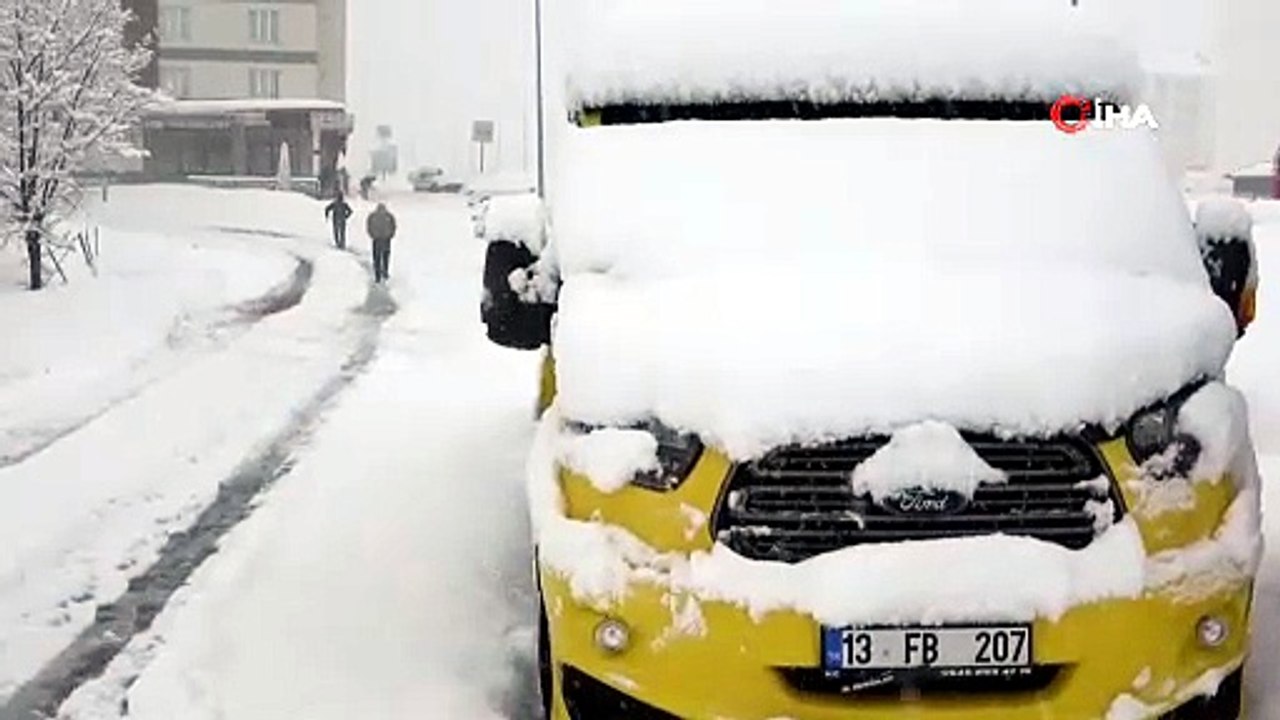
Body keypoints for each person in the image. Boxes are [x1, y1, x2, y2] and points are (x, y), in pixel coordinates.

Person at [366, 202, 397, 283]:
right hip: (386, 239)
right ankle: (385, 272)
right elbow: (393, 226)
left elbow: (369, 226)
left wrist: (372, 235)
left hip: (377, 239)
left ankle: (377, 275)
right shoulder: (389, 216)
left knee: (377, 257)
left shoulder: (372, 216)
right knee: (385, 256)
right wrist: (390, 235)